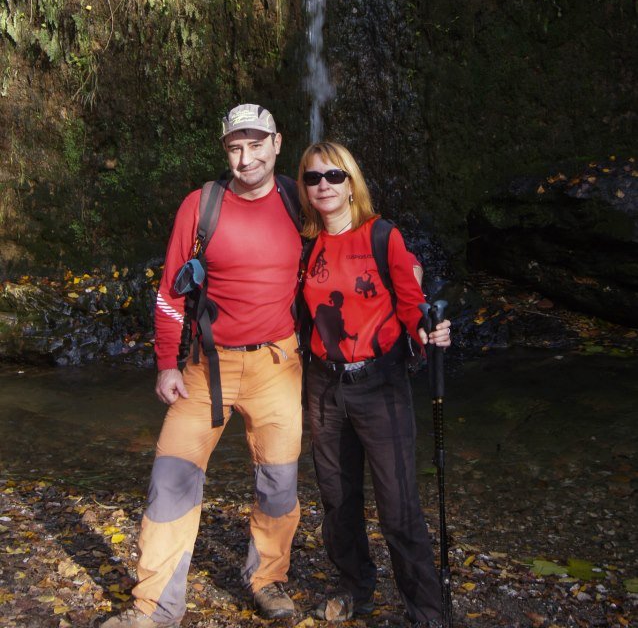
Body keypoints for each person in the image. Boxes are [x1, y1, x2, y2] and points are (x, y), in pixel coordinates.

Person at [103, 104, 303, 628]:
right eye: (236, 147)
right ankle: (156, 606)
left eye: (256, 144)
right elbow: (171, 293)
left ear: (277, 144)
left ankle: (268, 580)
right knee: (172, 476)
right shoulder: (201, 205)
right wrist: (166, 363)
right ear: (225, 151)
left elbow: (347, 243)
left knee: (278, 481)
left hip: (278, 365)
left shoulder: (298, 199)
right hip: (206, 366)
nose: (246, 157)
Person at [297, 141, 452, 628]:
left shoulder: (383, 236)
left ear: (351, 183)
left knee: (399, 504)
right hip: (323, 383)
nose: (324, 185)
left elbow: (411, 300)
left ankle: (426, 612)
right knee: (338, 499)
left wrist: (428, 325)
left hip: (379, 382)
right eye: (313, 178)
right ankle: (355, 588)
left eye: (334, 176)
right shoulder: (305, 245)